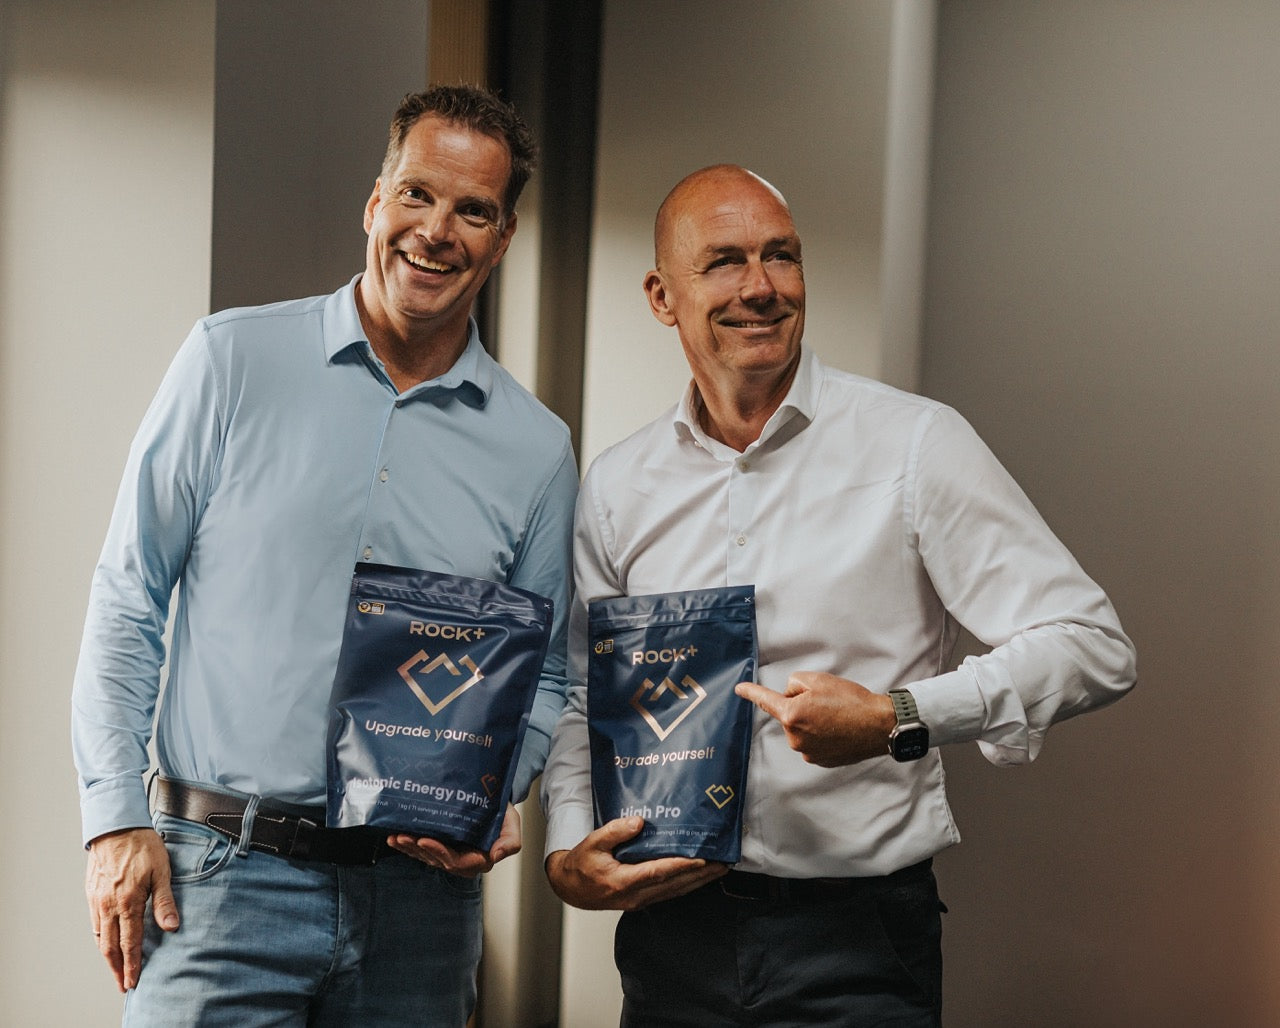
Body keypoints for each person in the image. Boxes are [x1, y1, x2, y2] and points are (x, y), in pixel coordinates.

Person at [540, 164, 1136, 1026]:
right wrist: (566, 848)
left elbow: (1092, 644)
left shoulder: (915, 445)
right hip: (672, 945)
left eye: (781, 255)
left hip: (857, 945)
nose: (761, 286)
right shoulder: (619, 483)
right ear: (662, 297)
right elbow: (586, 695)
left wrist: (899, 716)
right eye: (725, 261)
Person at [72, 85, 576, 1026]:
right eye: (417, 194)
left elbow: (547, 671)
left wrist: (489, 793)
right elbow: (129, 596)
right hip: (219, 885)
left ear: (503, 239)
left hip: (421, 914)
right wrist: (113, 818)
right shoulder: (231, 361)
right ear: (375, 202)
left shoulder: (537, 449)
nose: (436, 231)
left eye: (473, 211)